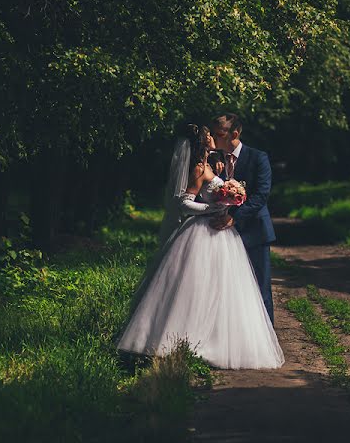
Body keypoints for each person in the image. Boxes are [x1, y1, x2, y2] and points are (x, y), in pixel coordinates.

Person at [117, 124, 284, 369]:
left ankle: (215, 338)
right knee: (195, 289)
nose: (213, 137)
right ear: (202, 142)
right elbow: (184, 203)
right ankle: (184, 340)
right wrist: (212, 208)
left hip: (220, 233)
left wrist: (226, 195)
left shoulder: (209, 163)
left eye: (215, 133)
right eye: (209, 135)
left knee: (221, 289)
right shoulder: (198, 167)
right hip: (204, 230)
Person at [209, 113, 277, 323]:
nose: (213, 137)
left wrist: (234, 218)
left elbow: (260, 196)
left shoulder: (258, 158)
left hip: (254, 231)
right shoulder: (212, 160)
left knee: (260, 287)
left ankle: (267, 344)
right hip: (220, 235)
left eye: (218, 133)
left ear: (234, 134)